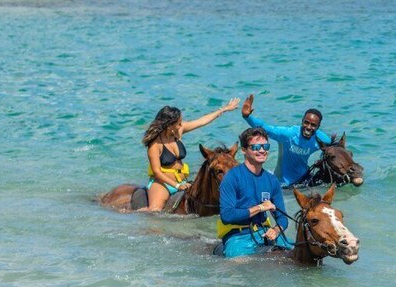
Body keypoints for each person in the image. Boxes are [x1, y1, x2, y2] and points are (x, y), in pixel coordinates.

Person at [140, 99, 239, 211]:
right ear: (169, 126)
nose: (182, 125)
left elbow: (201, 121)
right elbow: (157, 172)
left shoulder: (178, 132)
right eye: (179, 123)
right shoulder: (155, 144)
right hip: (163, 184)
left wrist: (224, 109)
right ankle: (133, 214)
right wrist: (176, 186)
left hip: (182, 181)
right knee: (154, 211)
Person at [217, 127, 294, 258]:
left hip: (264, 234)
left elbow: (282, 219)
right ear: (244, 150)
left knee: (301, 252)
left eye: (266, 146)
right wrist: (260, 208)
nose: (262, 150)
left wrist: (276, 230)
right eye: (256, 147)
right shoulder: (232, 177)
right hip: (238, 237)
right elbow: (227, 215)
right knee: (241, 264)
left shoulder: (272, 180)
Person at [240, 94, 332, 187]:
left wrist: (321, 160)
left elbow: (333, 149)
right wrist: (247, 117)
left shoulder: (321, 139)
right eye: (306, 122)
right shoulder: (289, 134)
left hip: (305, 178)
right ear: (302, 121)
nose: (308, 127)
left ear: (318, 127)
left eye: (313, 125)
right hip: (283, 182)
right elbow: (266, 128)